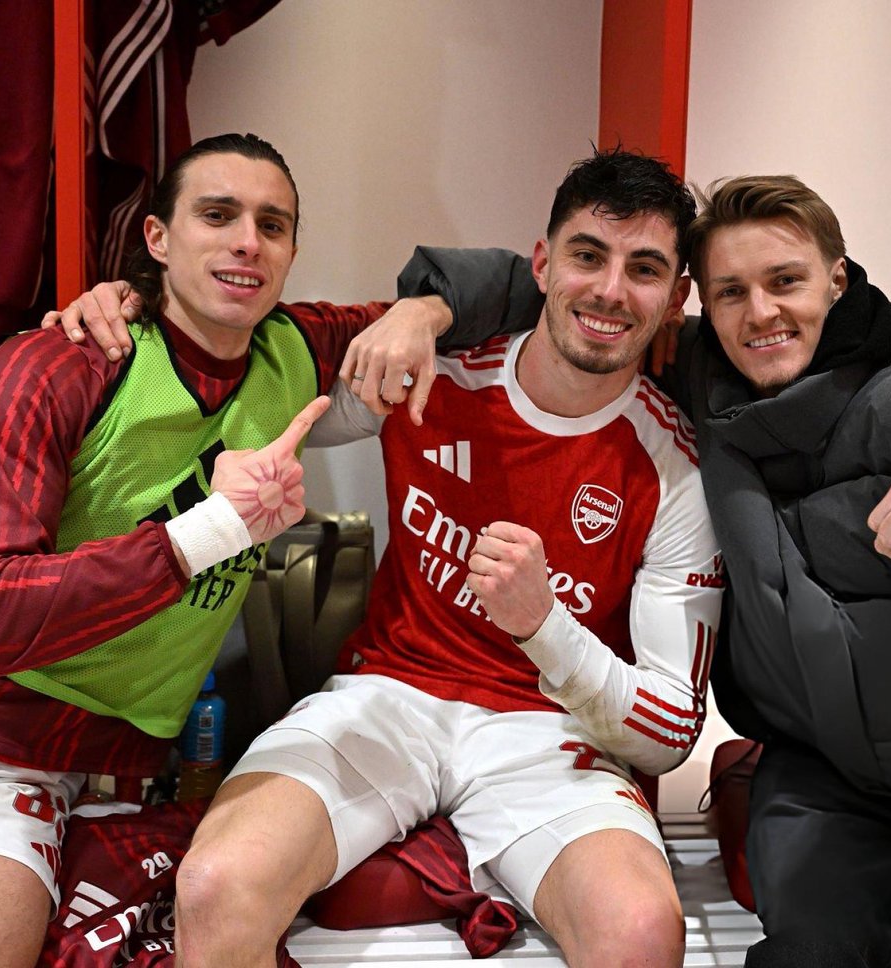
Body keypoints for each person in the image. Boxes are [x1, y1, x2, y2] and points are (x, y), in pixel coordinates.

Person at [376, 174, 891, 968]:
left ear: (837, 280)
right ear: (699, 303)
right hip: (825, 776)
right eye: (731, 292)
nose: (761, 313)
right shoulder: (704, 373)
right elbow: (578, 293)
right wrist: (424, 307)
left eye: (786, 282)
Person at [86, 148, 717, 968]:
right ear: (541, 264)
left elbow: (669, 733)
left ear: (677, 298)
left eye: (645, 269)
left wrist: (544, 626)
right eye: (588, 256)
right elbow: (233, 349)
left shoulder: (677, 467)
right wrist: (129, 303)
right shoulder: (433, 371)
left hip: (550, 733)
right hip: (388, 695)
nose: (609, 290)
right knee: (214, 886)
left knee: (641, 934)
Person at [0, 131, 439, 968]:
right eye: (217, 215)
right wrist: (210, 533)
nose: (248, 241)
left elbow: (516, 292)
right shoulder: (62, 364)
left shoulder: (294, 348)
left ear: (292, 252)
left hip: (127, 768)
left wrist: (423, 310)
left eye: (272, 225)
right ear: (158, 238)